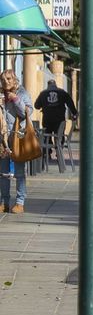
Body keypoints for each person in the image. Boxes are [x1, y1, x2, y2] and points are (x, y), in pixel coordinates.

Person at [0, 70, 32, 214]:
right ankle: (4, 202)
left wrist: (15, 99)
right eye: (2, 79)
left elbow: (27, 113)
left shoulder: (22, 93)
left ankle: (20, 202)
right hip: (3, 139)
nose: (5, 82)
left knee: (19, 172)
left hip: (18, 137)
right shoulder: (0, 95)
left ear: (14, 79)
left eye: (8, 79)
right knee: (4, 173)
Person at [37, 79, 77, 162]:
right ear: (55, 85)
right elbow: (70, 104)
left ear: (48, 85)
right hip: (60, 120)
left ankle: (48, 153)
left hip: (47, 120)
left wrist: (44, 105)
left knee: (46, 136)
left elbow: (36, 105)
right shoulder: (62, 92)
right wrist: (74, 113)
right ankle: (59, 151)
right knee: (60, 135)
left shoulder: (43, 93)